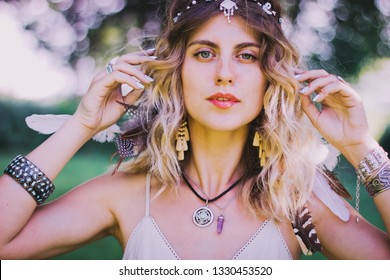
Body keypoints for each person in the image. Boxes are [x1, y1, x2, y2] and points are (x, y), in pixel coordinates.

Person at [0, 0, 389, 260]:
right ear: (177, 70)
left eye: (246, 56)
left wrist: (360, 145)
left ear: (270, 75)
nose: (224, 75)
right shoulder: (125, 194)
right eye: (204, 53)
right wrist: (81, 124)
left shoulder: (296, 201)